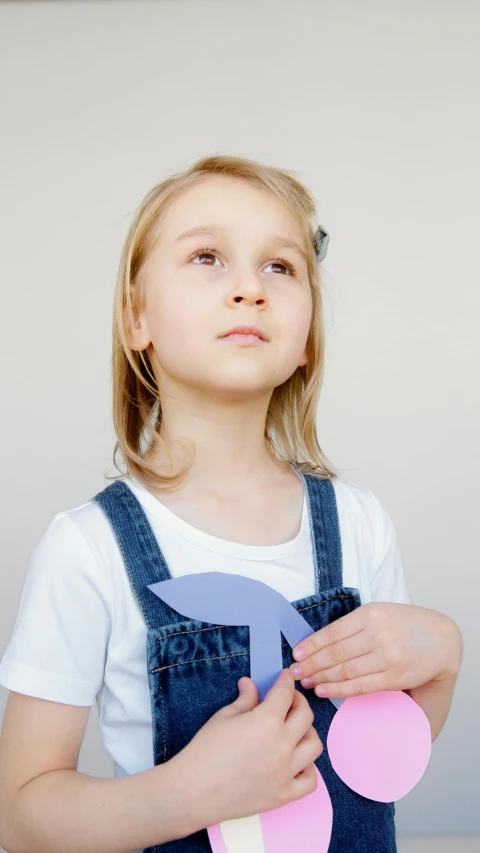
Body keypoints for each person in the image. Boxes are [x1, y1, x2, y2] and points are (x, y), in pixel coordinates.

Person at [0, 154, 463, 853]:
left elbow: (377, 756)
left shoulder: (360, 525)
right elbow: (20, 817)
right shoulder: (88, 549)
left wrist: (445, 660)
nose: (249, 287)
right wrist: (187, 792)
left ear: (308, 335)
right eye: (208, 257)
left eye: (280, 266)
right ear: (136, 318)